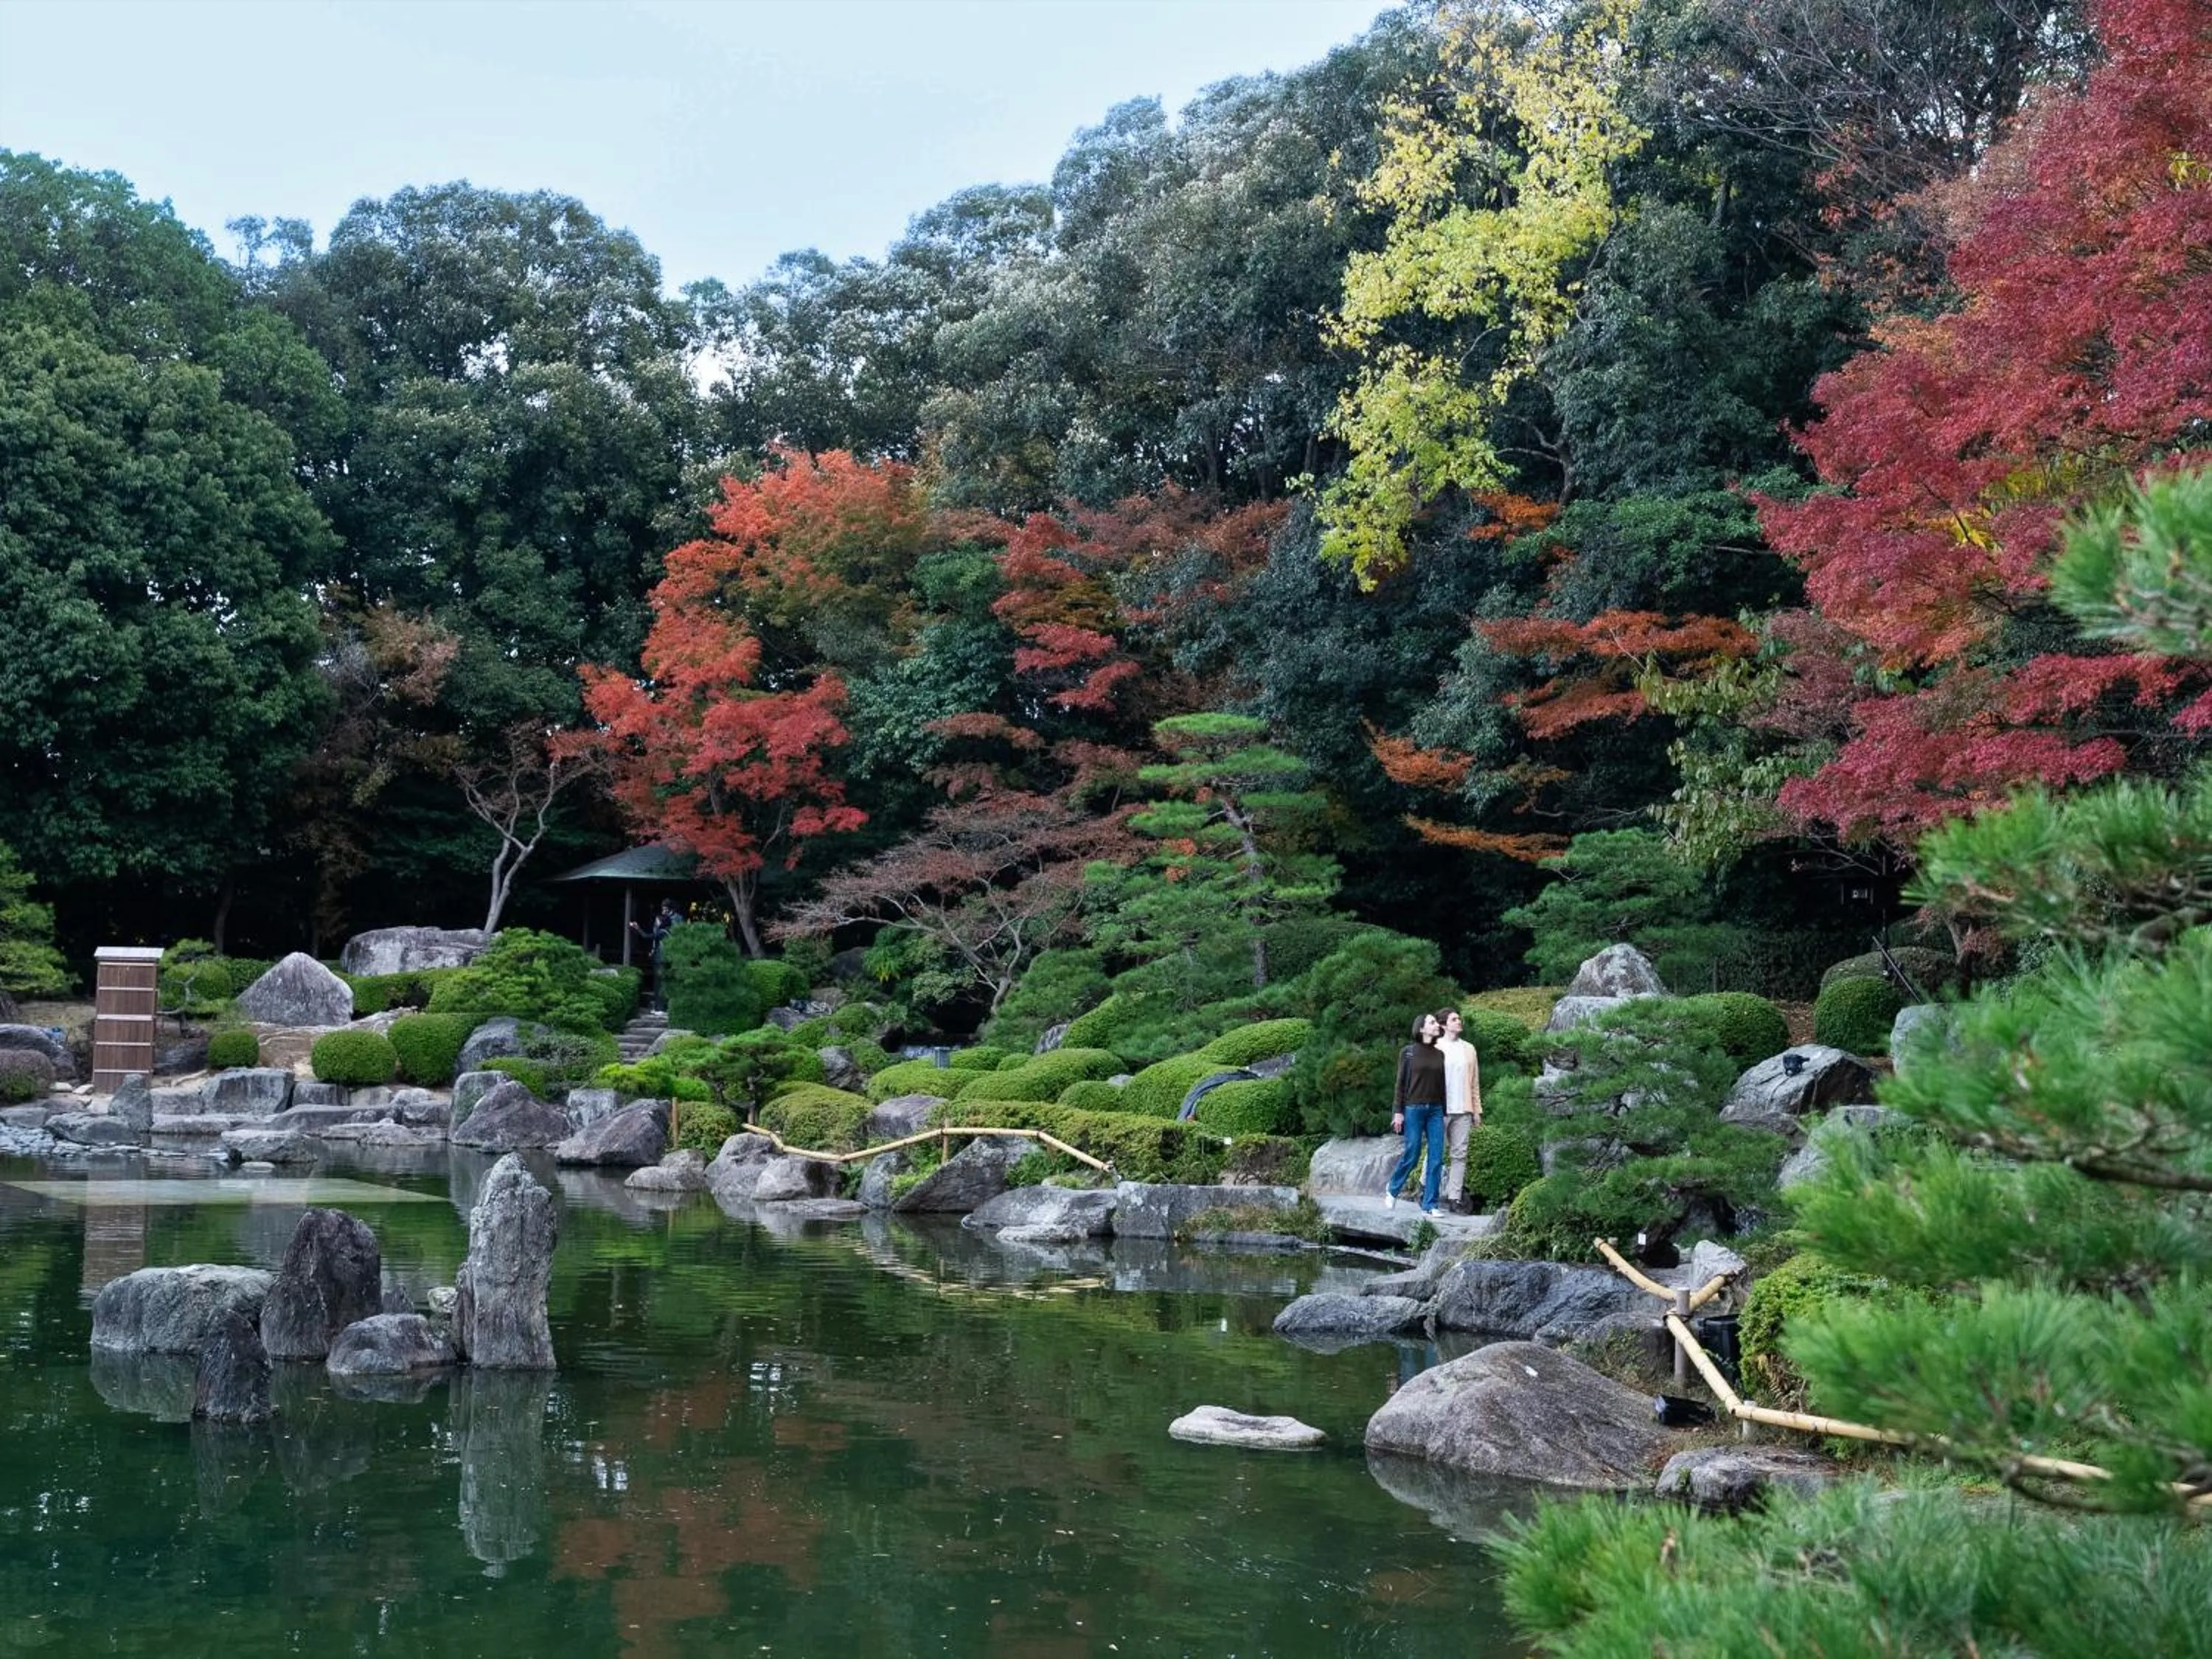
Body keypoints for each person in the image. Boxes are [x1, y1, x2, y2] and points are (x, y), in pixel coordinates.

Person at [1387, 1012, 1448, 1214]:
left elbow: (1442, 1086)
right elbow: (1400, 1084)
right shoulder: (1408, 1052)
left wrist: (1445, 1111)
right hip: (1413, 1109)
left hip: (1436, 1111)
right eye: (1432, 1022)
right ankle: (1393, 1188)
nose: (1436, 1025)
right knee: (1412, 1153)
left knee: (1436, 1157)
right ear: (1421, 1028)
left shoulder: (1440, 1054)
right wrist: (1398, 1112)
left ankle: (1430, 1204)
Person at [1435, 1007, 1484, 1215]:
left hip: (1463, 1108)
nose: (1459, 1021)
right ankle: (1425, 1187)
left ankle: (1454, 1197)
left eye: (1459, 1018)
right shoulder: (1435, 1047)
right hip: (1441, 1108)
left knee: (1460, 1154)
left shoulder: (1469, 1049)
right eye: (1454, 1019)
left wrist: (1476, 1109)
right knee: (1436, 1151)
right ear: (1444, 1025)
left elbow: (1475, 1083)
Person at [630, 899, 681, 1010]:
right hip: (667, 958)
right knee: (664, 983)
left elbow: (647, 936)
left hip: (661, 959)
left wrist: (637, 927)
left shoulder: (663, 932)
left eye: (658, 921)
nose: (656, 922)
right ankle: (664, 1007)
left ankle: (660, 1008)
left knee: (659, 984)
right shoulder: (668, 931)